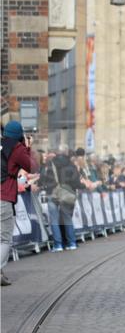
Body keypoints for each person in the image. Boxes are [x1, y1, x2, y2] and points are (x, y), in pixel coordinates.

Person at [1, 122, 38, 285]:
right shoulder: (17, 149)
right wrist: (27, 147)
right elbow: (31, 166)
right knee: (4, 238)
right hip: (3, 197)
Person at [39, 147, 84, 251]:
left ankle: (58, 245)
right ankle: (71, 243)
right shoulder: (71, 164)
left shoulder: (50, 164)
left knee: (54, 220)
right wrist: (82, 186)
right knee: (67, 218)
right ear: (67, 153)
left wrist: (43, 185)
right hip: (66, 194)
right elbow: (76, 181)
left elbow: (42, 178)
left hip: (52, 193)